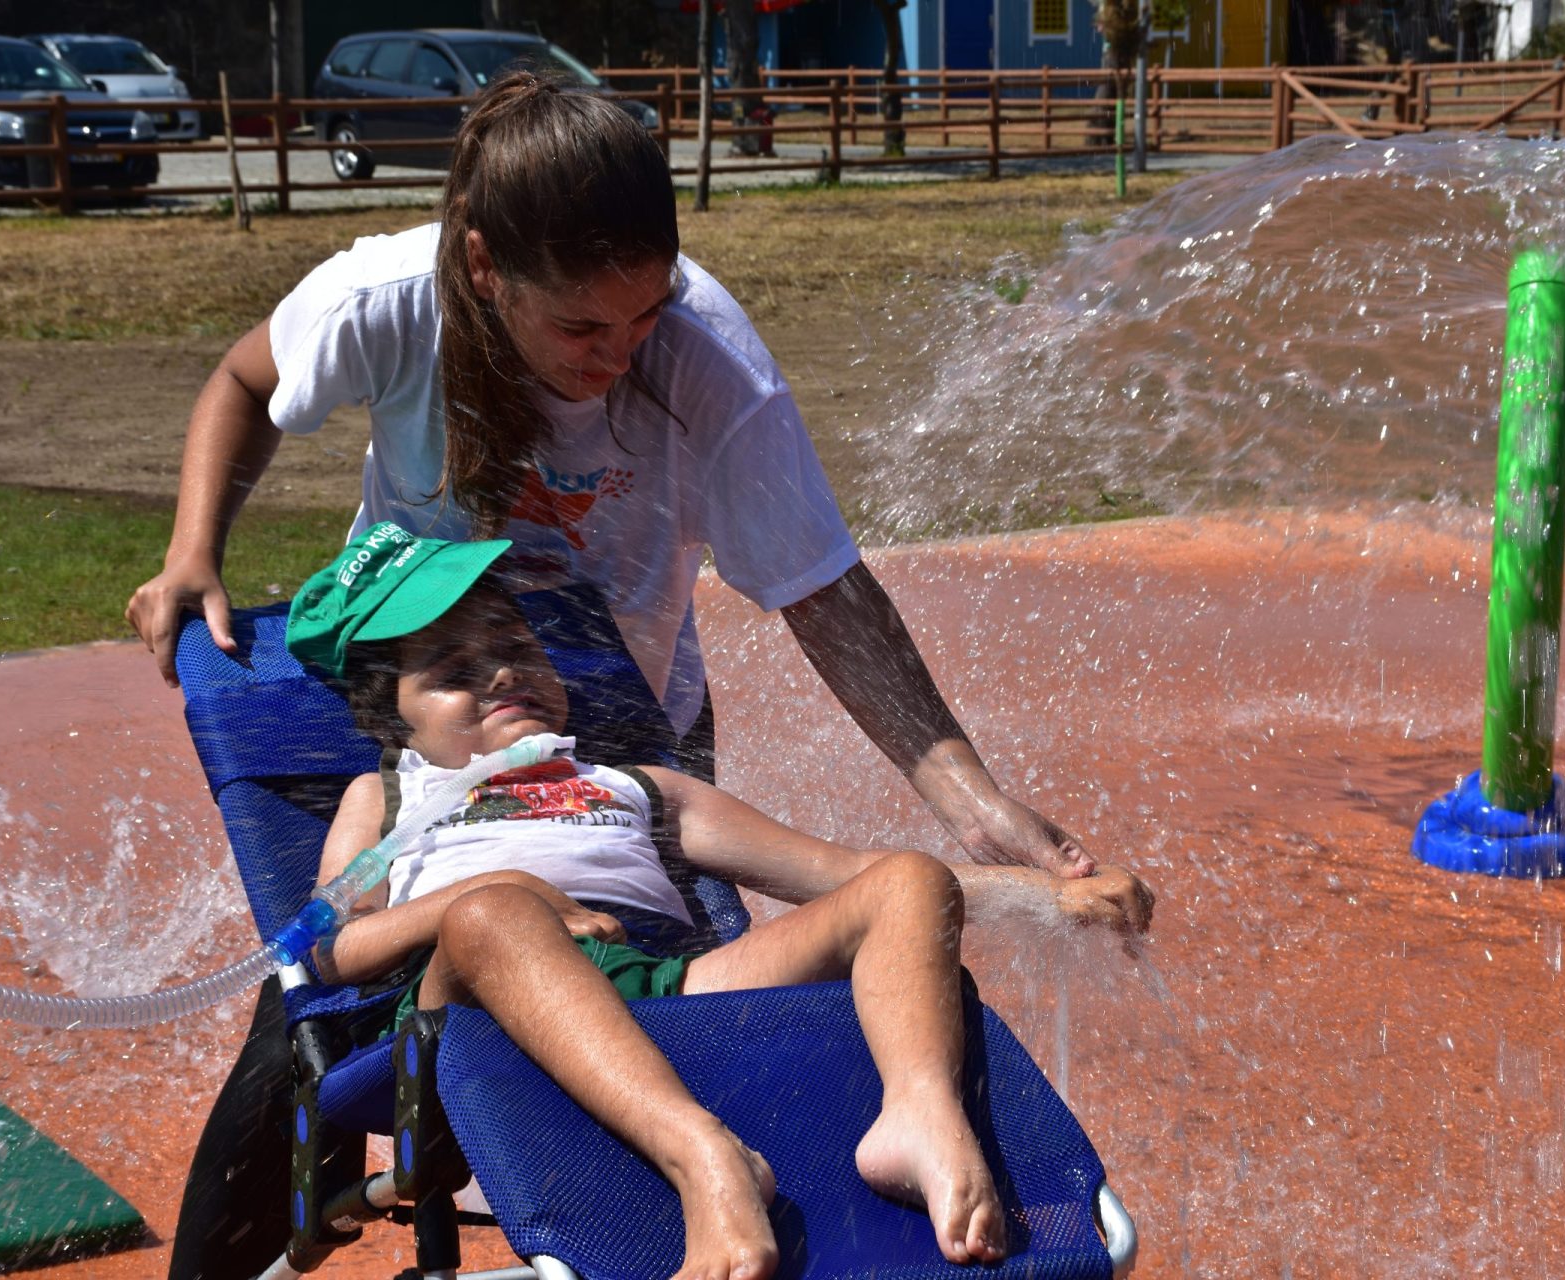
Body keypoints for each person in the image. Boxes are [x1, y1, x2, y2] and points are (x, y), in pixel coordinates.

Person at [130, 72, 1114, 1278]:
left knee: (739, 1005)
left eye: (646, 313)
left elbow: (824, 589)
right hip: (430, 683)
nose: (625, 353)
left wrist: (979, 811)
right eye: (586, 329)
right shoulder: (383, 303)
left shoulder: (702, 363)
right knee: (308, 1036)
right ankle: (601, 1161)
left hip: (623, 707)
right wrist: (194, 554)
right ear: (485, 267)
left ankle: (800, 1168)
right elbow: (243, 381)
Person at [285, 526, 1155, 1279]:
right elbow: (326, 952)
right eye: (452, 671)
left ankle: (917, 1109)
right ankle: (708, 1159)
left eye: (516, 642)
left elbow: (838, 872)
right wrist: (494, 893)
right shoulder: (390, 801)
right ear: (390, 718)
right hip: (472, 1009)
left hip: (661, 987)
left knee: (903, 881)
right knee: (492, 920)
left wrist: (1049, 898)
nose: (504, 669)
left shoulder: (637, 787)